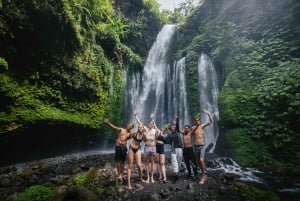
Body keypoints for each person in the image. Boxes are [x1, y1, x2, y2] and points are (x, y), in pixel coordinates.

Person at [134, 111, 159, 183]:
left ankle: (152, 178)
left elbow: (159, 133)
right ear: (148, 124)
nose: (151, 124)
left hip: (153, 147)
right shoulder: (146, 129)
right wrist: (136, 116)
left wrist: (153, 119)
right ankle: (148, 177)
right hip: (147, 147)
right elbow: (140, 123)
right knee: (147, 163)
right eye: (150, 123)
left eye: (152, 124)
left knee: (153, 163)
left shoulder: (155, 130)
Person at [192, 109, 214, 184]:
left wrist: (208, 113)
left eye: (198, 120)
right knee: (198, 162)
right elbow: (190, 134)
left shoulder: (202, 126)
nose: (197, 121)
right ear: (195, 121)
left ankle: (203, 176)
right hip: (195, 146)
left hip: (202, 145)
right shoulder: (193, 128)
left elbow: (211, 121)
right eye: (196, 120)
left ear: (200, 121)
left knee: (201, 160)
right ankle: (203, 173)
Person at [127, 124, 146, 189]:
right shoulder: (135, 134)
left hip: (138, 149)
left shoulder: (143, 135)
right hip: (131, 148)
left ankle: (141, 178)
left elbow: (147, 141)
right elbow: (128, 136)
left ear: (143, 129)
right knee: (130, 165)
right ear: (138, 128)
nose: (140, 128)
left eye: (141, 127)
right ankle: (129, 183)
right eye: (139, 127)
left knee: (139, 165)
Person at [167, 116, 183, 183]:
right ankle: (175, 175)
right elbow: (168, 141)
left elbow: (178, 125)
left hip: (179, 149)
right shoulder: (170, 135)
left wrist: (176, 119)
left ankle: (177, 173)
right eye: (172, 127)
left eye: (174, 127)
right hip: (174, 150)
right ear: (170, 129)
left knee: (179, 162)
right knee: (174, 162)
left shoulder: (177, 132)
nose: (173, 128)